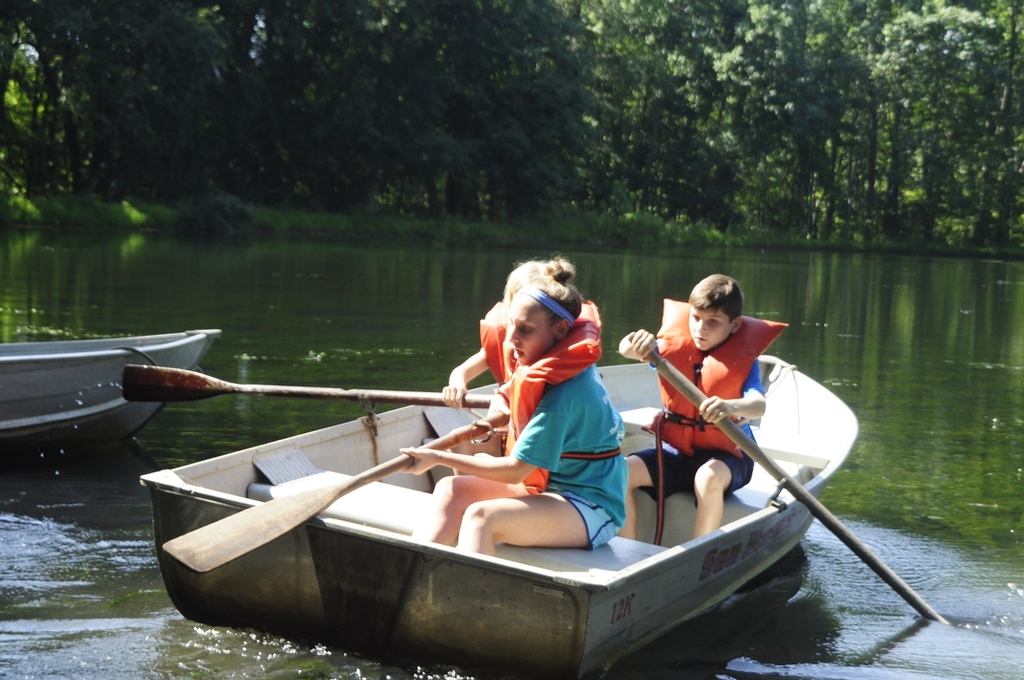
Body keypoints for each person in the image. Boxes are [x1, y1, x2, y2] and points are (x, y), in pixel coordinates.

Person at [401, 268, 626, 556]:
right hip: (551, 489)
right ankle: (410, 575)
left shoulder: (562, 397)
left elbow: (516, 471)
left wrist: (436, 457)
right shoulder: (557, 358)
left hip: (591, 507)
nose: (511, 340)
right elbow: (512, 391)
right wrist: (501, 404)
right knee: (450, 489)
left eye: (526, 330)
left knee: (481, 518)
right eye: (511, 326)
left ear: (559, 330)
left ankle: (471, 600)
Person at [618, 274, 786, 543]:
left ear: (735, 325)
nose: (700, 329)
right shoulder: (671, 348)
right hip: (679, 453)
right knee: (622, 471)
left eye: (713, 322)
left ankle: (698, 555)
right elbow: (624, 348)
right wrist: (636, 343)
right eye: (695, 318)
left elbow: (759, 405)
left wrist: (731, 404)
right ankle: (627, 550)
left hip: (729, 460)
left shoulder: (744, 362)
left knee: (707, 478)